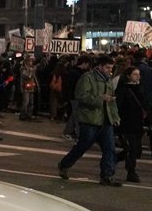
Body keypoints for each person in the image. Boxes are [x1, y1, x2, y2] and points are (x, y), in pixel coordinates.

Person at [58, 55, 121, 186]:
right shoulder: (87, 78)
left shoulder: (107, 80)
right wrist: (100, 98)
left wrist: (115, 117)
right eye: (108, 67)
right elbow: (81, 96)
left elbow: (111, 101)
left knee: (109, 149)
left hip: (105, 119)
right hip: (90, 119)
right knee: (83, 146)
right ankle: (64, 165)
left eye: (111, 68)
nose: (110, 70)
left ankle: (107, 175)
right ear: (100, 66)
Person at [116, 66, 147, 183]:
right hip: (126, 122)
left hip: (137, 123)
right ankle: (131, 171)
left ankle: (113, 159)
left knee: (135, 149)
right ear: (128, 76)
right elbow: (119, 106)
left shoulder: (140, 88)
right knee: (132, 148)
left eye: (138, 74)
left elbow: (144, 104)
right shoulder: (123, 89)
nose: (138, 76)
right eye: (135, 74)